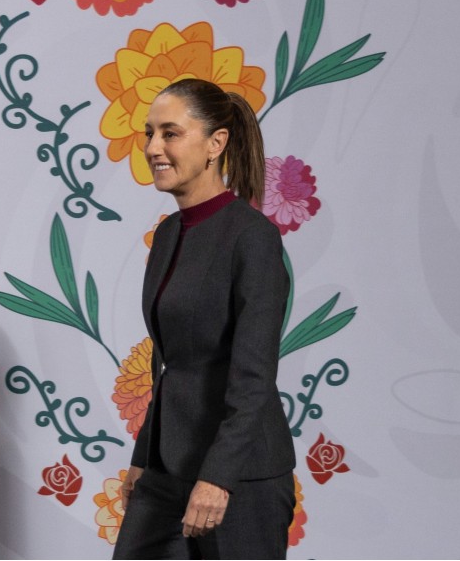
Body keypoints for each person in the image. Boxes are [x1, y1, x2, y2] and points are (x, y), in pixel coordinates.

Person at [113, 78, 296, 560]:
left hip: (240, 476)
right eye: (149, 133)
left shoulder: (252, 238)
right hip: (168, 466)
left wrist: (218, 478)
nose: (153, 147)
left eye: (170, 133)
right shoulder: (169, 234)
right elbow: (173, 367)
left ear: (216, 143)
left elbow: (253, 376)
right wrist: (142, 458)